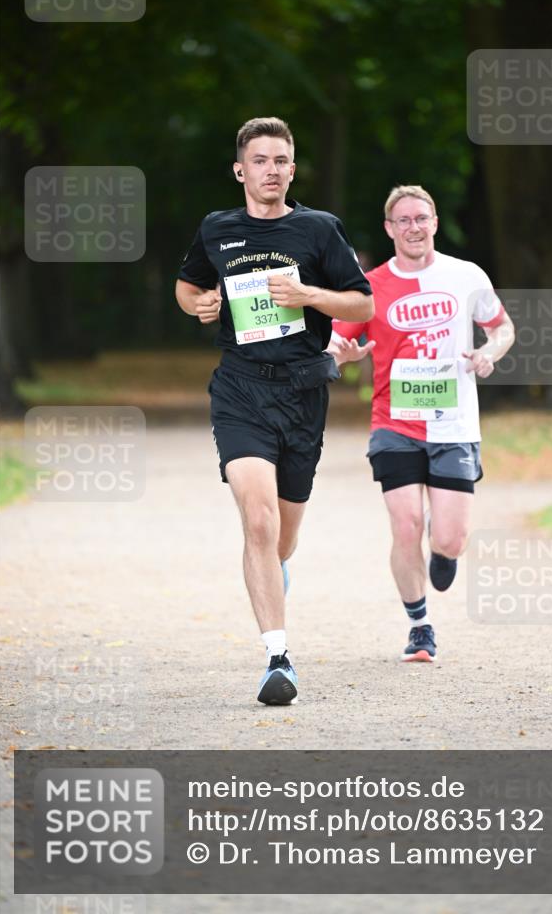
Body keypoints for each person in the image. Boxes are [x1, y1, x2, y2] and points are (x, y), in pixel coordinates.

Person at [175, 117, 373, 704]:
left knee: (281, 540)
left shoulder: (318, 229)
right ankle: (277, 659)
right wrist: (201, 304)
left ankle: (273, 576)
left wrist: (310, 296)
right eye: (260, 160)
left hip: (303, 394)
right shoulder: (218, 229)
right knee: (257, 522)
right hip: (239, 390)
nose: (271, 170)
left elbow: (361, 302)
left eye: (281, 160)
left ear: (292, 168)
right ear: (241, 170)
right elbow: (186, 286)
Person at [328, 185, 514, 663]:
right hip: (393, 423)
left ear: (434, 222)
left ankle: (444, 549)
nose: (414, 227)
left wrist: (488, 354)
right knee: (405, 523)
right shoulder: (367, 287)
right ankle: (419, 626)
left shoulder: (466, 275)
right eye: (403, 220)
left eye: (422, 218)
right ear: (390, 228)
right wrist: (343, 356)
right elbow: (334, 346)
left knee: (450, 538)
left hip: (455, 425)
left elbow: (502, 328)